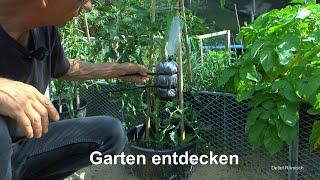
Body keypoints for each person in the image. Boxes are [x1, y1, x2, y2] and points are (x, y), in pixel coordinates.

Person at [0, 0, 150, 179]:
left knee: (111, 133)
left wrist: (120, 70)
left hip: (23, 147)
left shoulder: (44, 29)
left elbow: (66, 69)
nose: (88, 6)